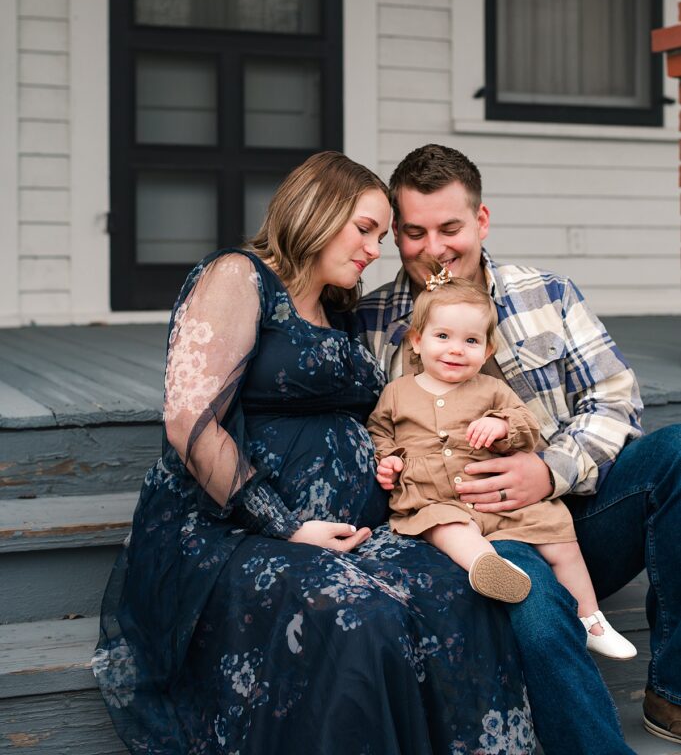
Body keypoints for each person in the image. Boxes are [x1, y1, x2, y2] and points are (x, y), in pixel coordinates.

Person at [93, 151, 536, 755]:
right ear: (316, 210)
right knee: (363, 623)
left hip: (354, 528)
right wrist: (286, 525)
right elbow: (188, 422)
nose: (374, 250)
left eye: (381, 236)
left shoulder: (340, 308)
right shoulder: (238, 276)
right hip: (237, 530)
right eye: (365, 229)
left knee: (456, 594)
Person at [356, 143, 681, 755]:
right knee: (529, 599)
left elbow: (616, 399)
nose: (435, 249)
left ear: (480, 220)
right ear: (397, 235)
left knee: (679, 454)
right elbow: (370, 433)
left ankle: (674, 693)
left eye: (450, 228)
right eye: (415, 233)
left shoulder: (547, 293)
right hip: (479, 529)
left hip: (576, 508)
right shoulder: (372, 323)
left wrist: (549, 470)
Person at [367, 274, 636, 660]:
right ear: (416, 340)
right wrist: (388, 459)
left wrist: (502, 426)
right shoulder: (397, 392)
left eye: (471, 341)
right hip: (433, 495)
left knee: (559, 534)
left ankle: (591, 618)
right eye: (442, 336)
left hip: (503, 499)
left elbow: (527, 427)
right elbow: (379, 430)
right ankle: (488, 568)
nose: (456, 350)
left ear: (488, 349)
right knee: (444, 526)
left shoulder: (491, 389)